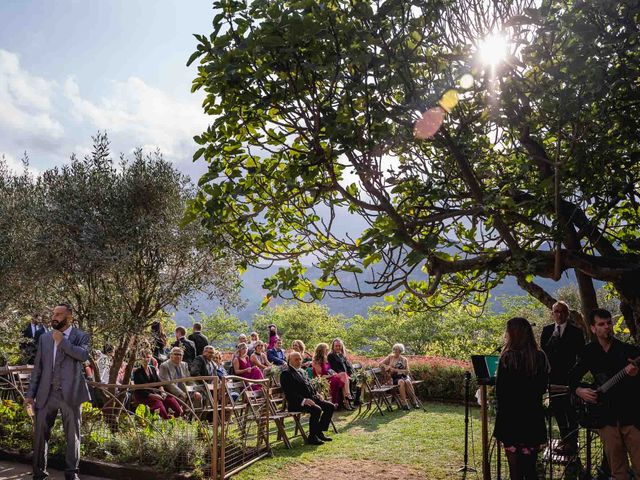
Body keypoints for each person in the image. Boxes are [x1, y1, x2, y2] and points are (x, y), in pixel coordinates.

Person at [569, 309, 640, 480]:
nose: (607, 327)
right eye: (601, 324)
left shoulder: (628, 350)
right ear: (593, 328)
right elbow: (571, 378)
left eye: (609, 323)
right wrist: (579, 390)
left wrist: (636, 375)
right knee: (617, 470)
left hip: (631, 417)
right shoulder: (589, 352)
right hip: (606, 418)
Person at [25, 303, 91, 480]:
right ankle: (39, 473)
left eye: (59, 314)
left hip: (71, 395)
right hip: (46, 394)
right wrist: (30, 394)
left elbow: (83, 356)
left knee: (73, 436)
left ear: (69, 317)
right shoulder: (44, 338)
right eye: (54, 313)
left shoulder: (81, 336)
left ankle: (71, 474)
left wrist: (62, 341)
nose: (54, 317)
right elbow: (38, 368)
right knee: (40, 435)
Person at [494, 317, 549, 480]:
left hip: (509, 418)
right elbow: (542, 387)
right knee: (530, 467)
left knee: (514, 470)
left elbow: (500, 391)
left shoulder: (506, 358)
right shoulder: (539, 357)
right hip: (532, 417)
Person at [540, 300, 585, 454]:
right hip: (552, 379)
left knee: (570, 411)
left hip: (569, 379)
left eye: (562, 311)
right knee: (558, 410)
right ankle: (565, 440)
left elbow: (582, 358)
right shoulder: (547, 331)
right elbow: (543, 354)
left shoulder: (576, 332)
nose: (559, 314)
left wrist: (575, 377)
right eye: (556, 311)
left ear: (567, 314)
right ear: (552, 314)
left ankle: (573, 442)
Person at [281, 351, 335, 445]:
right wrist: (304, 400)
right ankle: (312, 437)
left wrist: (317, 393)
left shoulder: (302, 371)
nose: (299, 361)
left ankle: (318, 431)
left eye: (300, 359)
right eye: (296, 359)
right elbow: (290, 393)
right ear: (289, 361)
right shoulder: (286, 373)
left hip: (312, 399)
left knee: (330, 406)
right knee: (316, 409)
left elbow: (309, 386)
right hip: (297, 403)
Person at [133, 350, 182, 419]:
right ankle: (165, 421)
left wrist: (162, 392)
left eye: (148, 357)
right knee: (158, 404)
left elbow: (159, 383)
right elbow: (140, 390)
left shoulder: (152, 369)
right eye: (144, 357)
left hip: (156, 393)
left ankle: (177, 417)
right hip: (144, 396)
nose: (146, 359)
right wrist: (154, 395)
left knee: (170, 399)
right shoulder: (137, 372)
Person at [312, 343, 352, 409]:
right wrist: (331, 375)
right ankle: (347, 398)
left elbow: (329, 370)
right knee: (342, 378)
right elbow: (320, 376)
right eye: (326, 349)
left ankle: (347, 401)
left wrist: (333, 373)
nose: (328, 351)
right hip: (324, 380)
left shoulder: (326, 359)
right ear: (321, 350)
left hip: (331, 376)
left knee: (344, 375)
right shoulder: (316, 361)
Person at [380, 343, 419, 410]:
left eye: (396, 349)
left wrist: (397, 370)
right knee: (401, 382)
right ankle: (404, 403)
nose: (395, 350)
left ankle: (414, 401)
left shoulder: (404, 359)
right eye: (394, 349)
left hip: (404, 376)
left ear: (400, 351)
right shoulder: (390, 357)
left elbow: (407, 371)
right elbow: (380, 364)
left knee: (407, 382)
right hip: (394, 378)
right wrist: (388, 367)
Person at [328, 338, 360, 405]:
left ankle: (356, 400)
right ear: (333, 346)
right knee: (349, 380)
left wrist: (353, 374)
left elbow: (348, 366)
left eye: (339, 346)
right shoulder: (331, 355)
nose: (338, 347)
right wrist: (347, 376)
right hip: (338, 376)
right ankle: (348, 401)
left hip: (346, 375)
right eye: (336, 346)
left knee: (359, 380)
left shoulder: (341, 355)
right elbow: (334, 368)